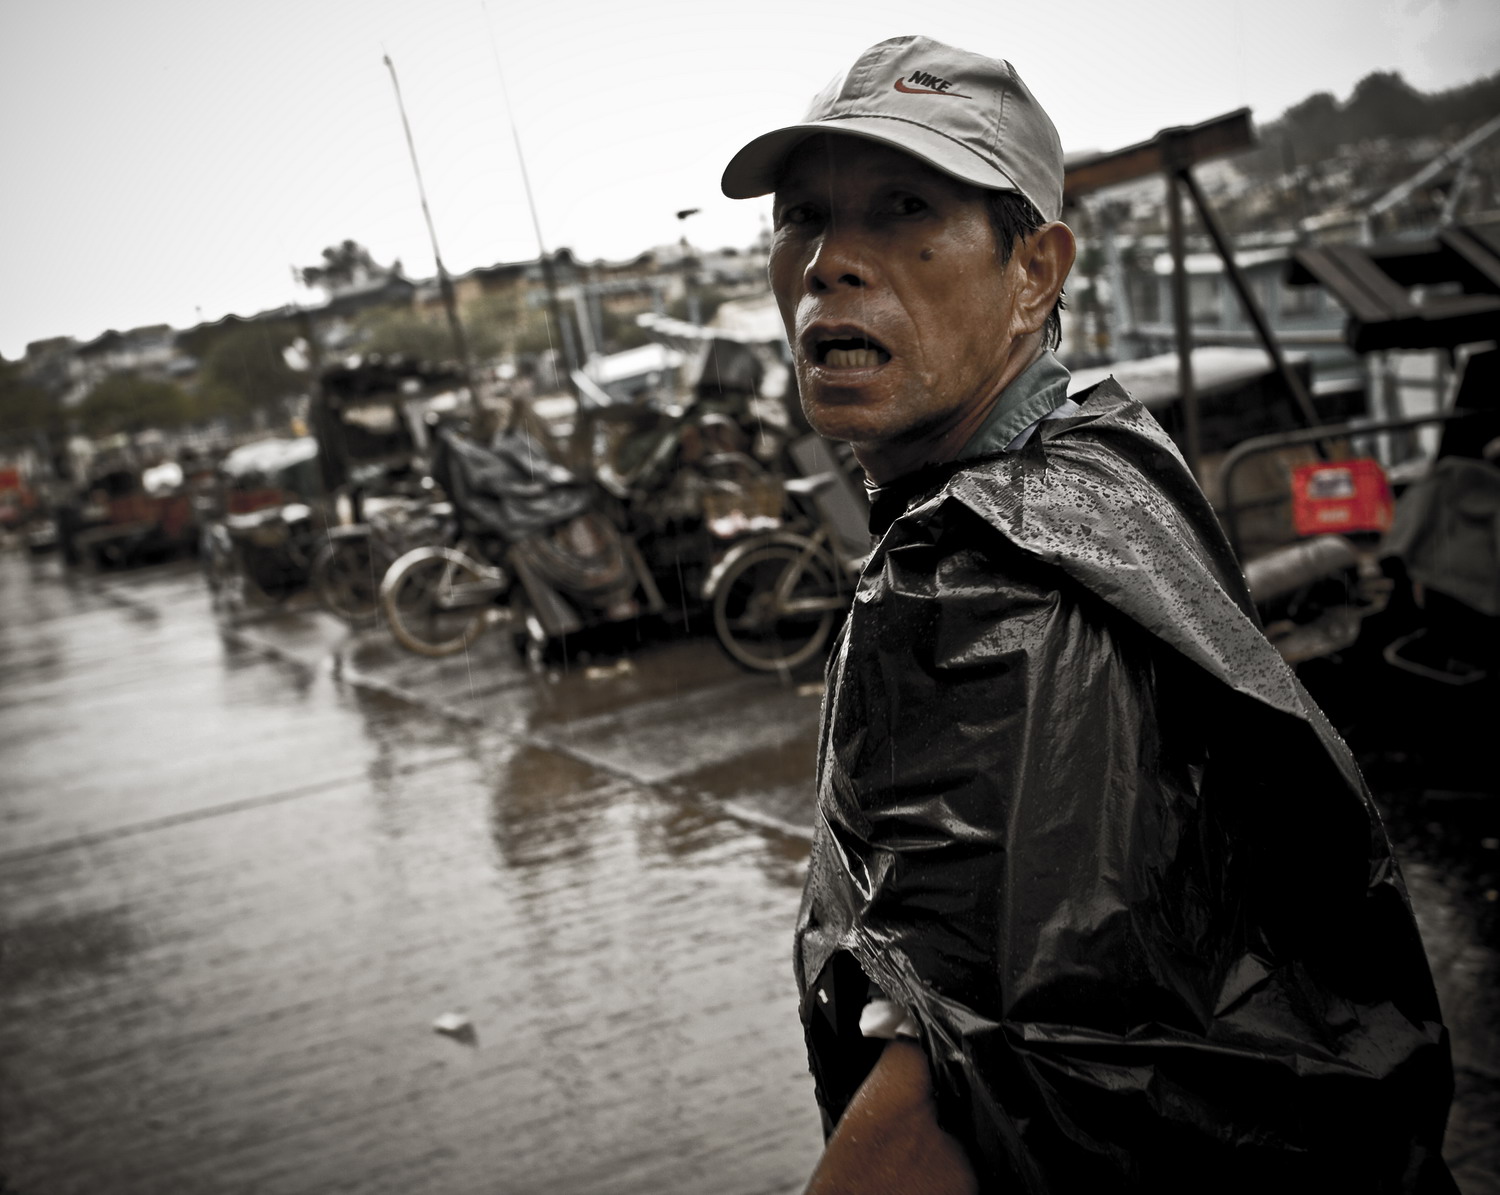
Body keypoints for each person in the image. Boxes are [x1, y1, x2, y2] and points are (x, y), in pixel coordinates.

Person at [721, 35, 1456, 1193]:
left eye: (905, 207)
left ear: (1034, 271)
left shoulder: (976, 580)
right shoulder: (1100, 445)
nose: (829, 263)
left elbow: (962, 1091)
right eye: (802, 215)